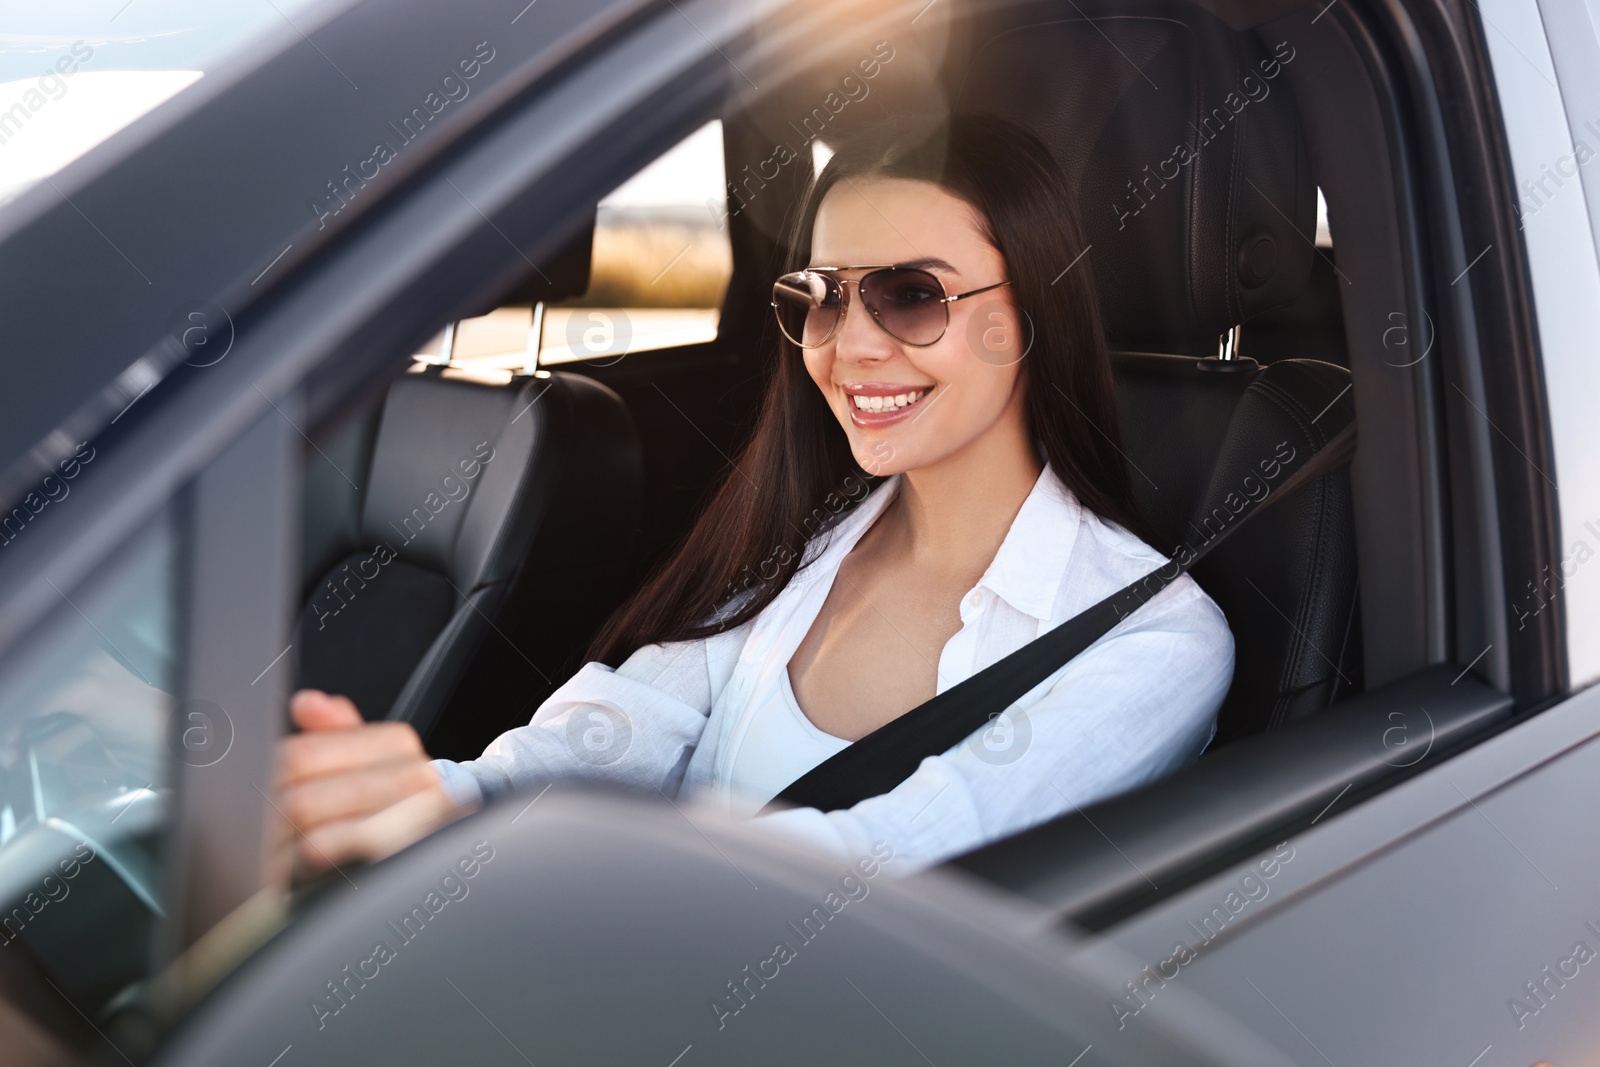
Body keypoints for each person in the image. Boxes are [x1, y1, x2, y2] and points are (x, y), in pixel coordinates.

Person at [275, 114, 1234, 878]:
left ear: (1032, 312)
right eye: (822, 295)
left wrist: (533, 861)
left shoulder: (1152, 642)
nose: (848, 344)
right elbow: (608, 738)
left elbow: (887, 872)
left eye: (910, 295)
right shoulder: (804, 545)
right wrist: (435, 803)